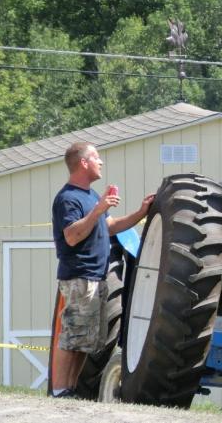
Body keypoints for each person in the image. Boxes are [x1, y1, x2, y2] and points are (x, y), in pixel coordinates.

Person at [50, 142, 155, 398]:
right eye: (96, 158)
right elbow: (72, 236)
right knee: (72, 337)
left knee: (84, 341)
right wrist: (99, 209)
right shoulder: (68, 198)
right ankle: (59, 390)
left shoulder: (91, 195)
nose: (101, 162)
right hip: (79, 276)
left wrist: (141, 212)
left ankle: (70, 390)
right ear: (83, 163)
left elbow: (111, 227)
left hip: (95, 276)